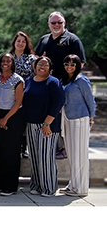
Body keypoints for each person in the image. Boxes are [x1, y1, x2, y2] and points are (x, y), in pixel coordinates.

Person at [34, 11, 87, 159]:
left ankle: (64, 148)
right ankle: (52, 146)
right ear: (49, 24)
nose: (56, 25)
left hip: (65, 86)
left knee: (64, 118)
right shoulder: (44, 39)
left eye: (60, 22)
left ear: (65, 23)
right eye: (53, 23)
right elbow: (37, 59)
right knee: (49, 115)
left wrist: (70, 82)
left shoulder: (73, 40)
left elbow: (80, 63)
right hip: (46, 85)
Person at [23, 56, 65, 197]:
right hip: (31, 124)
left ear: (50, 68)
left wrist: (47, 123)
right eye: (40, 64)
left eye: (45, 64)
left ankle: (49, 188)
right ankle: (36, 185)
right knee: (34, 157)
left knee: (46, 158)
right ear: (34, 66)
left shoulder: (53, 82)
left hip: (47, 125)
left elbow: (58, 103)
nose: (42, 66)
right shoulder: (28, 81)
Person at [60, 54, 96, 197]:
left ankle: (81, 188)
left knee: (80, 154)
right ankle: (73, 184)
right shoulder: (66, 80)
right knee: (72, 153)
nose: (69, 66)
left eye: (72, 64)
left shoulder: (82, 80)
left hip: (80, 119)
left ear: (78, 65)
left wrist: (91, 118)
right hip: (68, 118)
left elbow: (90, 100)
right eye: (67, 64)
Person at [0, 53, 25, 196]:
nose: (5, 63)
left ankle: (10, 186)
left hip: (13, 117)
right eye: (3, 61)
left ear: (12, 63)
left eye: (8, 61)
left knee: (12, 152)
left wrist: (6, 119)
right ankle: (1, 183)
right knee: (1, 151)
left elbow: (18, 102)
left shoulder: (18, 80)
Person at [9, 31, 37, 159]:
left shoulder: (32, 58)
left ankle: (24, 148)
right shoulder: (8, 57)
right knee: (14, 121)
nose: (20, 43)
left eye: (23, 41)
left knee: (24, 121)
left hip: (27, 94)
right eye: (18, 41)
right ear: (14, 42)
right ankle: (14, 147)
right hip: (10, 93)